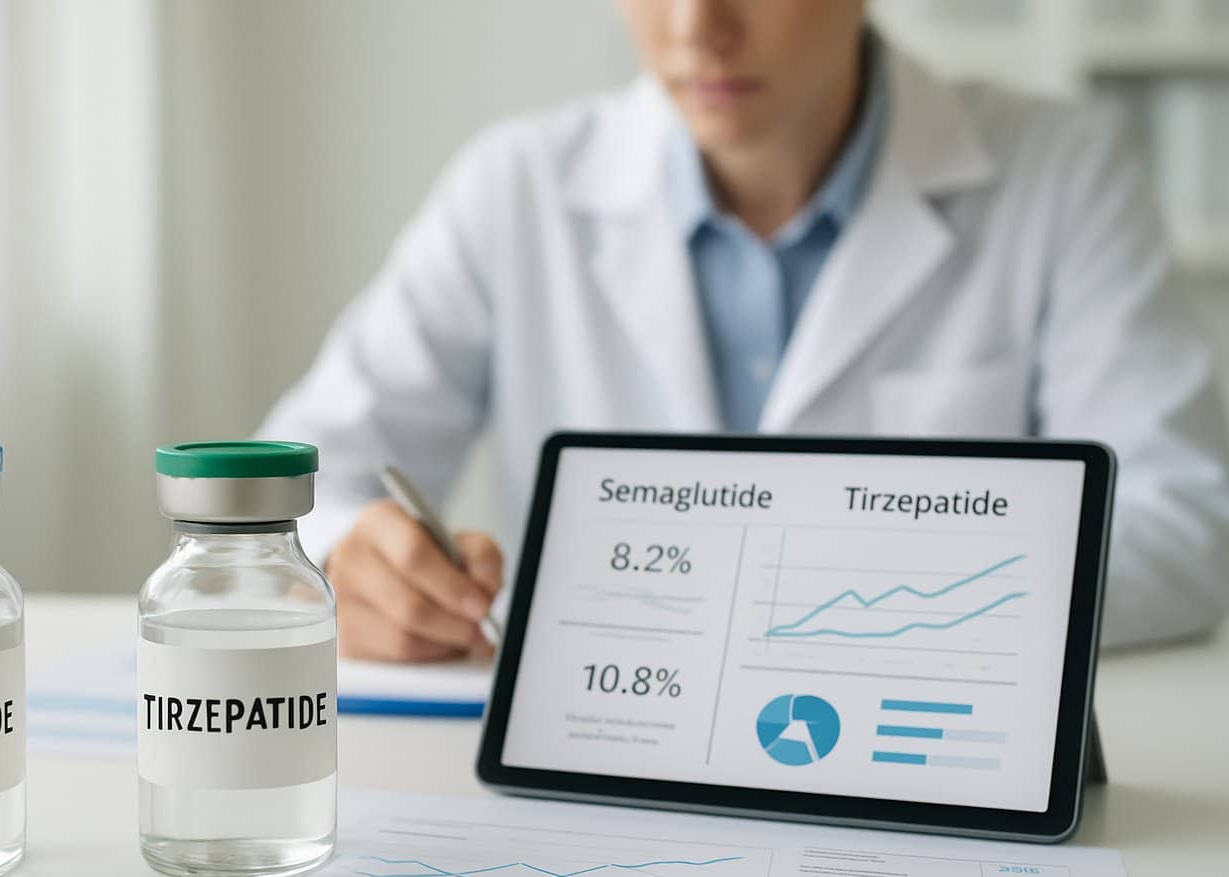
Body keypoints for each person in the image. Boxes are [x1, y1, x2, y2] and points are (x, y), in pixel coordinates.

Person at [261, 0, 1229, 660]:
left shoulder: (1060, 174)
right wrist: (355, 560)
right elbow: (287, 482)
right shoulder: (517, 185)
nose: (696, 29)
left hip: (912, 774)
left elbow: (1182, 525)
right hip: (604, 753)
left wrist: (817, 601)